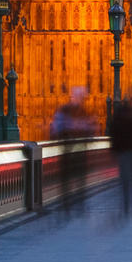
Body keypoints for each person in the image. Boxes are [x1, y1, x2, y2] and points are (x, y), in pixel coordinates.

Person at [49, 86, 98, 214]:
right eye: (81, 98)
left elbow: (55, 129)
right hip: (72, 151)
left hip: (72, 151)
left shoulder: (79, 111)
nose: (82, 100)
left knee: (72, 178)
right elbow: (57, 128)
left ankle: (70, 205)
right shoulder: (73, 111)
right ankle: (73, 205)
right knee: (74, 178)